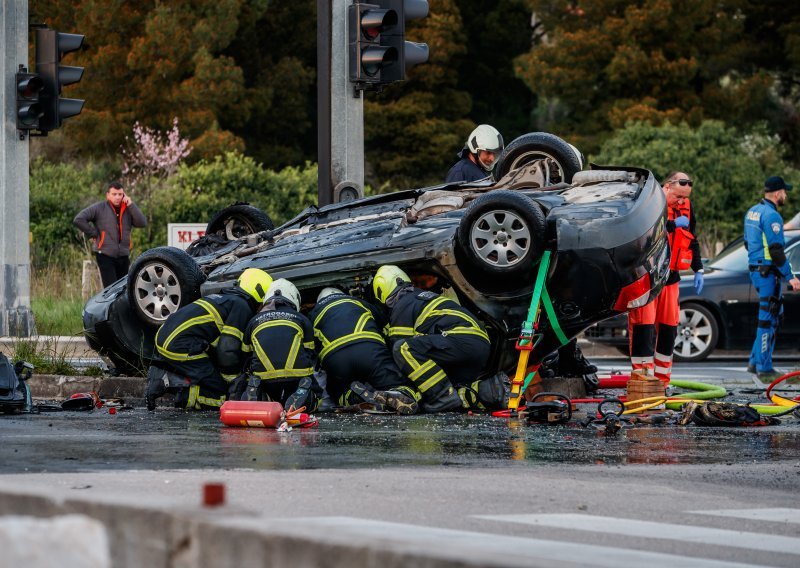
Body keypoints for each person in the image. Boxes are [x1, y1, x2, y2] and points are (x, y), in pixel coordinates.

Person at [373, 265, 509, 413]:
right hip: (477, 345)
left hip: (458, 340)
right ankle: (493, 389)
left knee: (402, 348)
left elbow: (398, 352)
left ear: (382, 291)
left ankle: (442, 398)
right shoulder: (422, 297)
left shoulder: (403, 304)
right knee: (452, 388)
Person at [145, 268, 272, 410]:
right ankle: (174, 388)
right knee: (222, 395)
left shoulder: (224, 298)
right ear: (261, 294)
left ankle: (168, 376)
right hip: (179, 345)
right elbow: (228, 350)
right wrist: (232, 380)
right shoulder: (242, 307)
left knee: (211, 378)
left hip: (166, 336)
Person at [628, 172, 704, 386]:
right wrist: (671, 225)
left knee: (669, 328)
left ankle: (662, 383)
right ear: (667, 187)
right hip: (647, 278)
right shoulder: (648, 203)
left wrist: (699, 269)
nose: (681, 201)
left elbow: (692, 239)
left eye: (684, 198)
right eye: (678, 197)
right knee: (644, 328)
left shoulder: (686, 209)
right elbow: (643, 234)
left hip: (671, 279)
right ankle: (642, 382)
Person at [309, 287, 420, 414]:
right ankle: (400, 392)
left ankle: (354, 397)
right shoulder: (360, 302)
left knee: (338, 390)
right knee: (398, 383)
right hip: (369, 350)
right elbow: (387, 330)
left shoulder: (313, 313)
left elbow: (312, 351)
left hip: (336, 359)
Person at [237, 279, 323, 412]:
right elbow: (310, 352)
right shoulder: (301, 318)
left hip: (263, 375)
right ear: (294, 297)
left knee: (260, 385)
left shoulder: (253, 321)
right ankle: (303, 392)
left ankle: (258, 393)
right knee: (317, 394)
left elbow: (245, 354)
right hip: (297, 374)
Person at [744, 176, 800, 379]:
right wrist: (790, 276)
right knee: (768, 318)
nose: (785, 195)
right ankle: (764, 367)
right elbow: (777, 250)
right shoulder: (772, 216)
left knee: (767, 316)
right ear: (777, 193)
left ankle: (753, 362)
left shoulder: (752, 211)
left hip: (757, 270)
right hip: (769, 273)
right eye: (785, 192)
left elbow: (746, 243)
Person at [73, 181, 147, 288]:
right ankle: (110, 305)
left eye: (120, 194)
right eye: (114, 194)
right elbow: (78, 219)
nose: (117, 197)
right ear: (108, 195)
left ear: (124, 195)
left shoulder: (128, 209)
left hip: (124, 256)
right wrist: (93, 233)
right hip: (105, 255)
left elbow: (142, 223)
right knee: (111, 290)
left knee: (124, 289)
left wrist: (131, 204)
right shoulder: (99, 208)